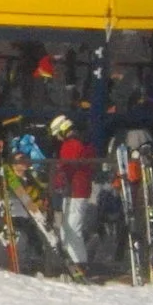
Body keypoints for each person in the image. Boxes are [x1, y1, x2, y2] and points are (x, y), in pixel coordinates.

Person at [48, 114, 93, 272]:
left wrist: (57, 183)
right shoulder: (81, 142)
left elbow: (66, 167)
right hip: (77, 189)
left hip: (76, 190)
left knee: (72, 228)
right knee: (68, 228)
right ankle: (73, 262)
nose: (58, 139)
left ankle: (78, 263)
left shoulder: (71, 144)